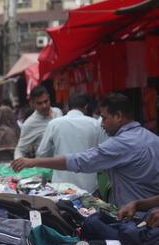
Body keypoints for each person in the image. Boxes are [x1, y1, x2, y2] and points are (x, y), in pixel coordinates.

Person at [12, 93, 159, 209]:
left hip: (138, 219)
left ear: (119, 116)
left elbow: (81, 161)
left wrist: (34, 161)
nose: (101, 123)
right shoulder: (153, 138)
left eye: (104, 118)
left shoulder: (120, 144)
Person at [36, 94, 108, 193]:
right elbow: (103, 153)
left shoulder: (54, 124)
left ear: (67, 107)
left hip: (60, 187)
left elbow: (41, 153)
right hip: (88, 187)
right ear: (86, 106)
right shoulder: (95, 124)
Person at [14, 85, 62, 159]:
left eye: (46, 101)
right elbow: (20, 149)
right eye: (39, 103)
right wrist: (18, 163)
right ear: (32, 104)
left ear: (49, 98)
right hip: (45, 167)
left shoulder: (58, 112)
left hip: (63, 164)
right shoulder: (29, 124)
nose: (44, 106)